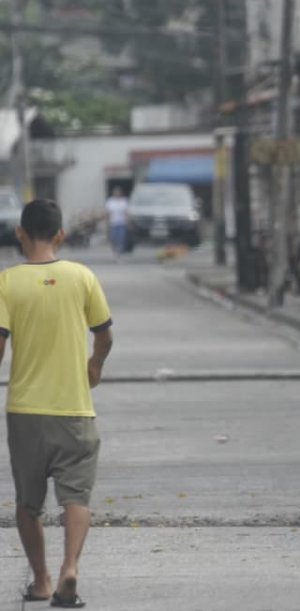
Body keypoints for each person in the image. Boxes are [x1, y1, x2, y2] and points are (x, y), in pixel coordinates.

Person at [0, 199, 113, 608]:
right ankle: (70, 568)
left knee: (28, 504)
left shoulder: (7, 283)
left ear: (20, 233)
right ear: (61, 235)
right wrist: (95, 365)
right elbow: (104, 333)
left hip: (26, 412)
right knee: (76, 498)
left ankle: (43, 581)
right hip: (75, 410)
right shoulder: (82, 277)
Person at [104, 187, 129, 257]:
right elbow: (108, 213)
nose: (117, 194)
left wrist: (128, 222)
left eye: (118, 192)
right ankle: (114, 250)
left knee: (121, 238)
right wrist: (107, 223)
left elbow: (126, 213)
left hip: (122, 223)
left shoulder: (124, 201)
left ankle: (119, 251)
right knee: (113, 238)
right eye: (115, 192)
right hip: (113, 223)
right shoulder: (110, 202)